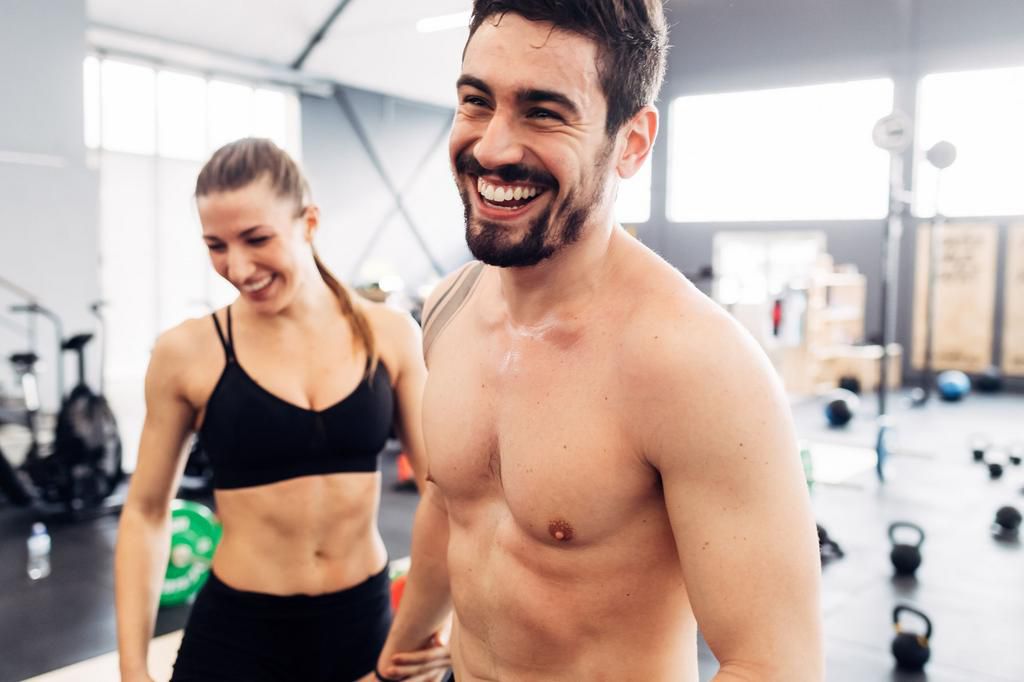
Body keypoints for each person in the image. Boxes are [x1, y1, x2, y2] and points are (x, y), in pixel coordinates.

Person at [375, 2, 824, 681]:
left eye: (544, 112)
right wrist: (403, 648)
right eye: (476, 102)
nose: (492, 148)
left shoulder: (697, 365)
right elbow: (448, 508)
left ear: (632, 142)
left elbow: (772, 665)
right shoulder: (448, 309)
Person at [114, 138, 449, 682]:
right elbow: (146, 513)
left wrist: (428, 629)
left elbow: (446, 495)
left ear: (309, 222)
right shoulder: (188, 353)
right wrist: (132, 669)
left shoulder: (389, 335)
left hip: (362, 624)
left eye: (257, 239)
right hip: (239, 633)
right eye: (216, 245)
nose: (238, 266)